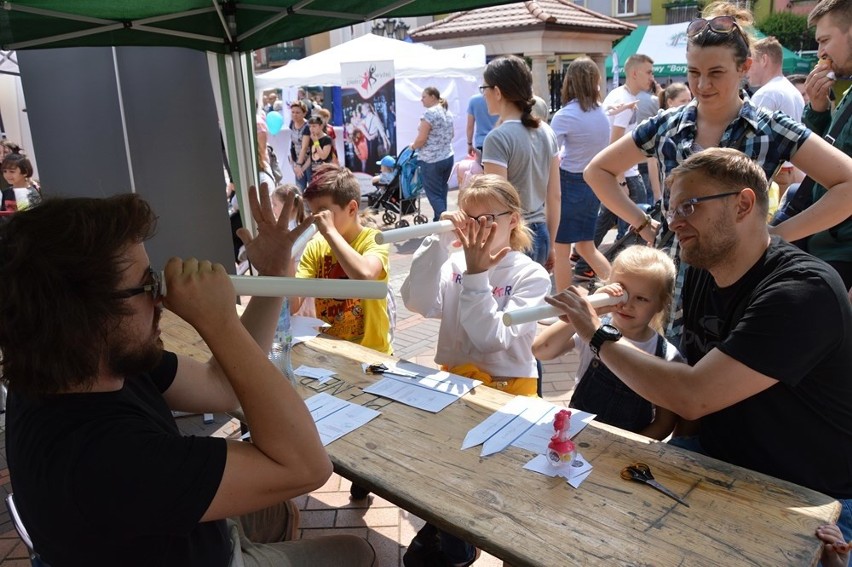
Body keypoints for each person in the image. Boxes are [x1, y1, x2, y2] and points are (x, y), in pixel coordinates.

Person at [0, 187, 377, 566]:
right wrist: (219, 322)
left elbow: (222, 385)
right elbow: (306, 467)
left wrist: (274, 274)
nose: (161, 299)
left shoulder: (74, 365)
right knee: (356, 553)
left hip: (186, 537)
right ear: (87, 317)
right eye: (147, 284)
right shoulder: (105, 459)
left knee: (279, 514)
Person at [550, 147, 852, 541]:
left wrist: (595, 332)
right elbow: (687, 388)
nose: (674, 223)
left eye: (688, 207)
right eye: (671, 211)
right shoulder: (703, 273)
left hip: (811, 496)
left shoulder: (802, 291)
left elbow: (693, 394)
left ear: (743, 204)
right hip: (716, 463)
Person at [585, 1, 852, 340]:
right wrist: (643, 224)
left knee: (723, 374)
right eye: (694, 73)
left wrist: (780, 235)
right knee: (667, 371)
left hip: (740, 281)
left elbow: (848, 183)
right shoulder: (666, 125)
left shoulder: (771, 128)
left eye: (716, 73)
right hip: (672, 279)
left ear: (745, 68)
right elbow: (598, 171)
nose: (702, 85)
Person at [400, 174, 550, 566]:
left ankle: (499, 542)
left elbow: (492, 339)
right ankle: (451, 530)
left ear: (513, 220)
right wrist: (435, 244)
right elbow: (418, 302)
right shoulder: (454, 262)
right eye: (469, 219)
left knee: (500, 478)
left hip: (508, 390)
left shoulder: (529, 274)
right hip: (453, 382)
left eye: (488, 221)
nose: (476, 230)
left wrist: (478, 273)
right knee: (451, 466)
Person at [533, 245, 683, 440]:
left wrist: (628, 448)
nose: (627, 305)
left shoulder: (666, 355)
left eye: (641, 298)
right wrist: (593, 309)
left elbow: (664, 423)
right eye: (623, 292)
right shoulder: (592, 329)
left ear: (661, 303)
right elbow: (541, 350)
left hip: (624, 450)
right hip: (575, 438)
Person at [291, 164, 392, 356]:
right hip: (332, 354)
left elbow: (365, 276)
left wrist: (329, 231)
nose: (317, 221)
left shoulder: (374, 240)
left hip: (372, 355)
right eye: (313, 213)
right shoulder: (316, 246)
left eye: (324, 213)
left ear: (352, 208)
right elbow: (293, 304)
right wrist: (284, 257)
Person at [481, 55, 560, 271]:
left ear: (497, 91)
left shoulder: (498, 138)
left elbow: (497, 204)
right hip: (541, 232)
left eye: (484, 88)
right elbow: (555, 196)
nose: (483, 94)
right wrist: (551, 244)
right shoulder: (547, 131)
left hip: (513, 237)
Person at [549, 56, 612, 291]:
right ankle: (619, 286)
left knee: (562, 249)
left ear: (570, 82)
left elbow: (550, 155)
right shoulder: (602, 112)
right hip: (592, 183)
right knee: (586, 247)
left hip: (570, 182)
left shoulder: (566, 115)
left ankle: (565, 306)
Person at [802, 0, 852, 288]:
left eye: (825, 40)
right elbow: (823, 161)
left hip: (842, 255)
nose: (820, 52)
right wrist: (817, 110)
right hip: (824, 243)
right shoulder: (845, 91)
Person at [410, 86, 454, 221]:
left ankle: (446, 221)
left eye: (423, 97)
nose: (421, 100)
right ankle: (439, 221)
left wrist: (413, 146)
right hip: (447, 157)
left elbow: (421, 139)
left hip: (431, 161)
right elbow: (452, 134)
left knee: (433, 194)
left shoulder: (429, 113)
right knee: (441, 191)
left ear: (433, 97)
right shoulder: (447, 112)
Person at [465, 92, 498, 162]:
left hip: (481, 142)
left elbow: (470, 126)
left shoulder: (473, 100)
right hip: (498, 141)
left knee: (483, 170)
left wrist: (469, 144)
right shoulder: (500, 98)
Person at [289, 100, 311, 191]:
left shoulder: (307, 127)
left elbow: (304, 147)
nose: (295, 115)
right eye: (293, 112)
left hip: (309, 161)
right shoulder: (292, 124)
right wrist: (293, 159)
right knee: (299, 189)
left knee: (311, 188)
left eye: (298, 112)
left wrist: (299, 165)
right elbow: (293, 142)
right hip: (298, 160)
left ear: (304, 113)